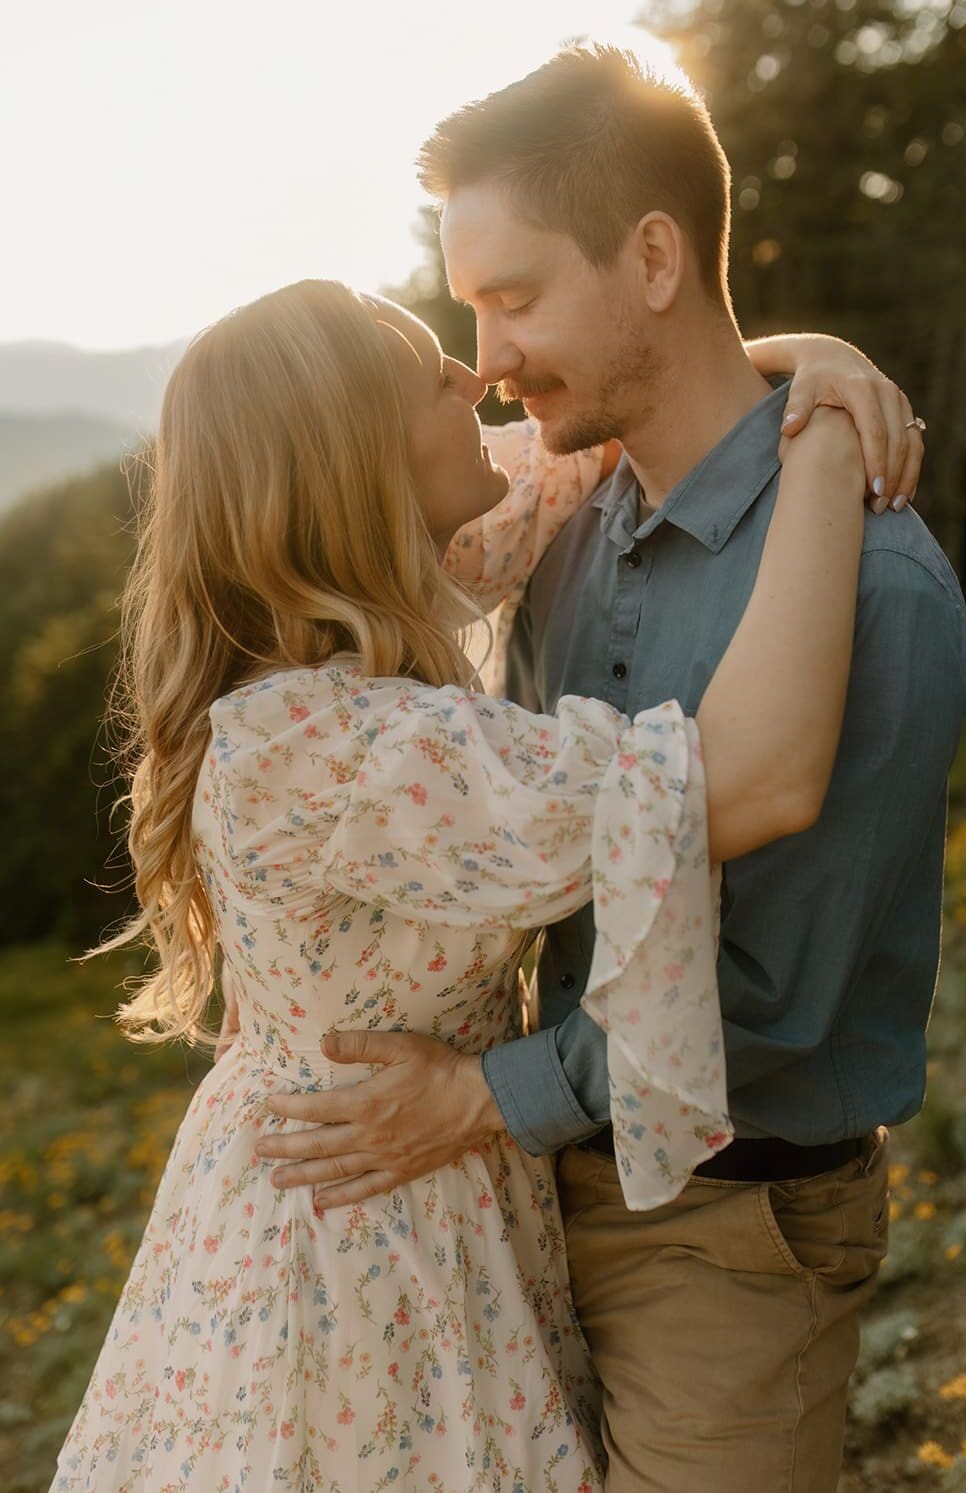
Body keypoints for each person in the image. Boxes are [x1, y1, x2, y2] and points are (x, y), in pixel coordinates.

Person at [257, 47, 966, 1493]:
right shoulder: (565, 521)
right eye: (468, 309)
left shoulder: (872, 588)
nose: (490, 356)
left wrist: (468, 1098)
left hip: (725, 1238)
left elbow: (769, 1005)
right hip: (513, 1208)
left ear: (653, 257)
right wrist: (807, 354)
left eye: (513, 299)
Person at [52, 273, 878, 1491]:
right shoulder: (331, 748)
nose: (470, 376)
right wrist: (823, 454)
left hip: (381, 1179)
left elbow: (596, 436)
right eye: (422, 374)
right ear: (350, 467)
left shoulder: (371, 598)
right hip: (360, 1236)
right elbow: (742, 780)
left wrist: (812, 353)